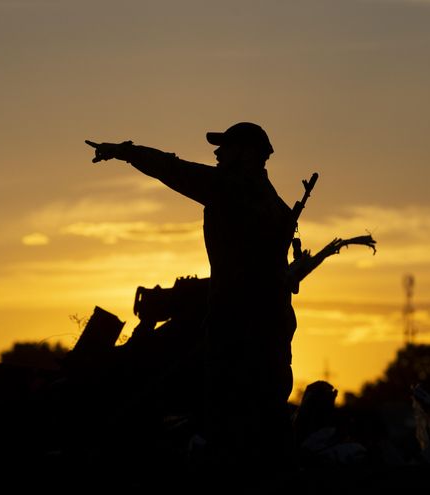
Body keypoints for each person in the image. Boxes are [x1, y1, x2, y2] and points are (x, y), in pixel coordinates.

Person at [86, 123, 297, 472]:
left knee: (228, 418)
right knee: (269, 415)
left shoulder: (231, 188)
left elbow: (174, 169)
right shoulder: (277, 205)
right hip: (273, 327)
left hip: (235, 325)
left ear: (245, 153)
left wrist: (125, 151)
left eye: (225, 147)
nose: (217, 154)